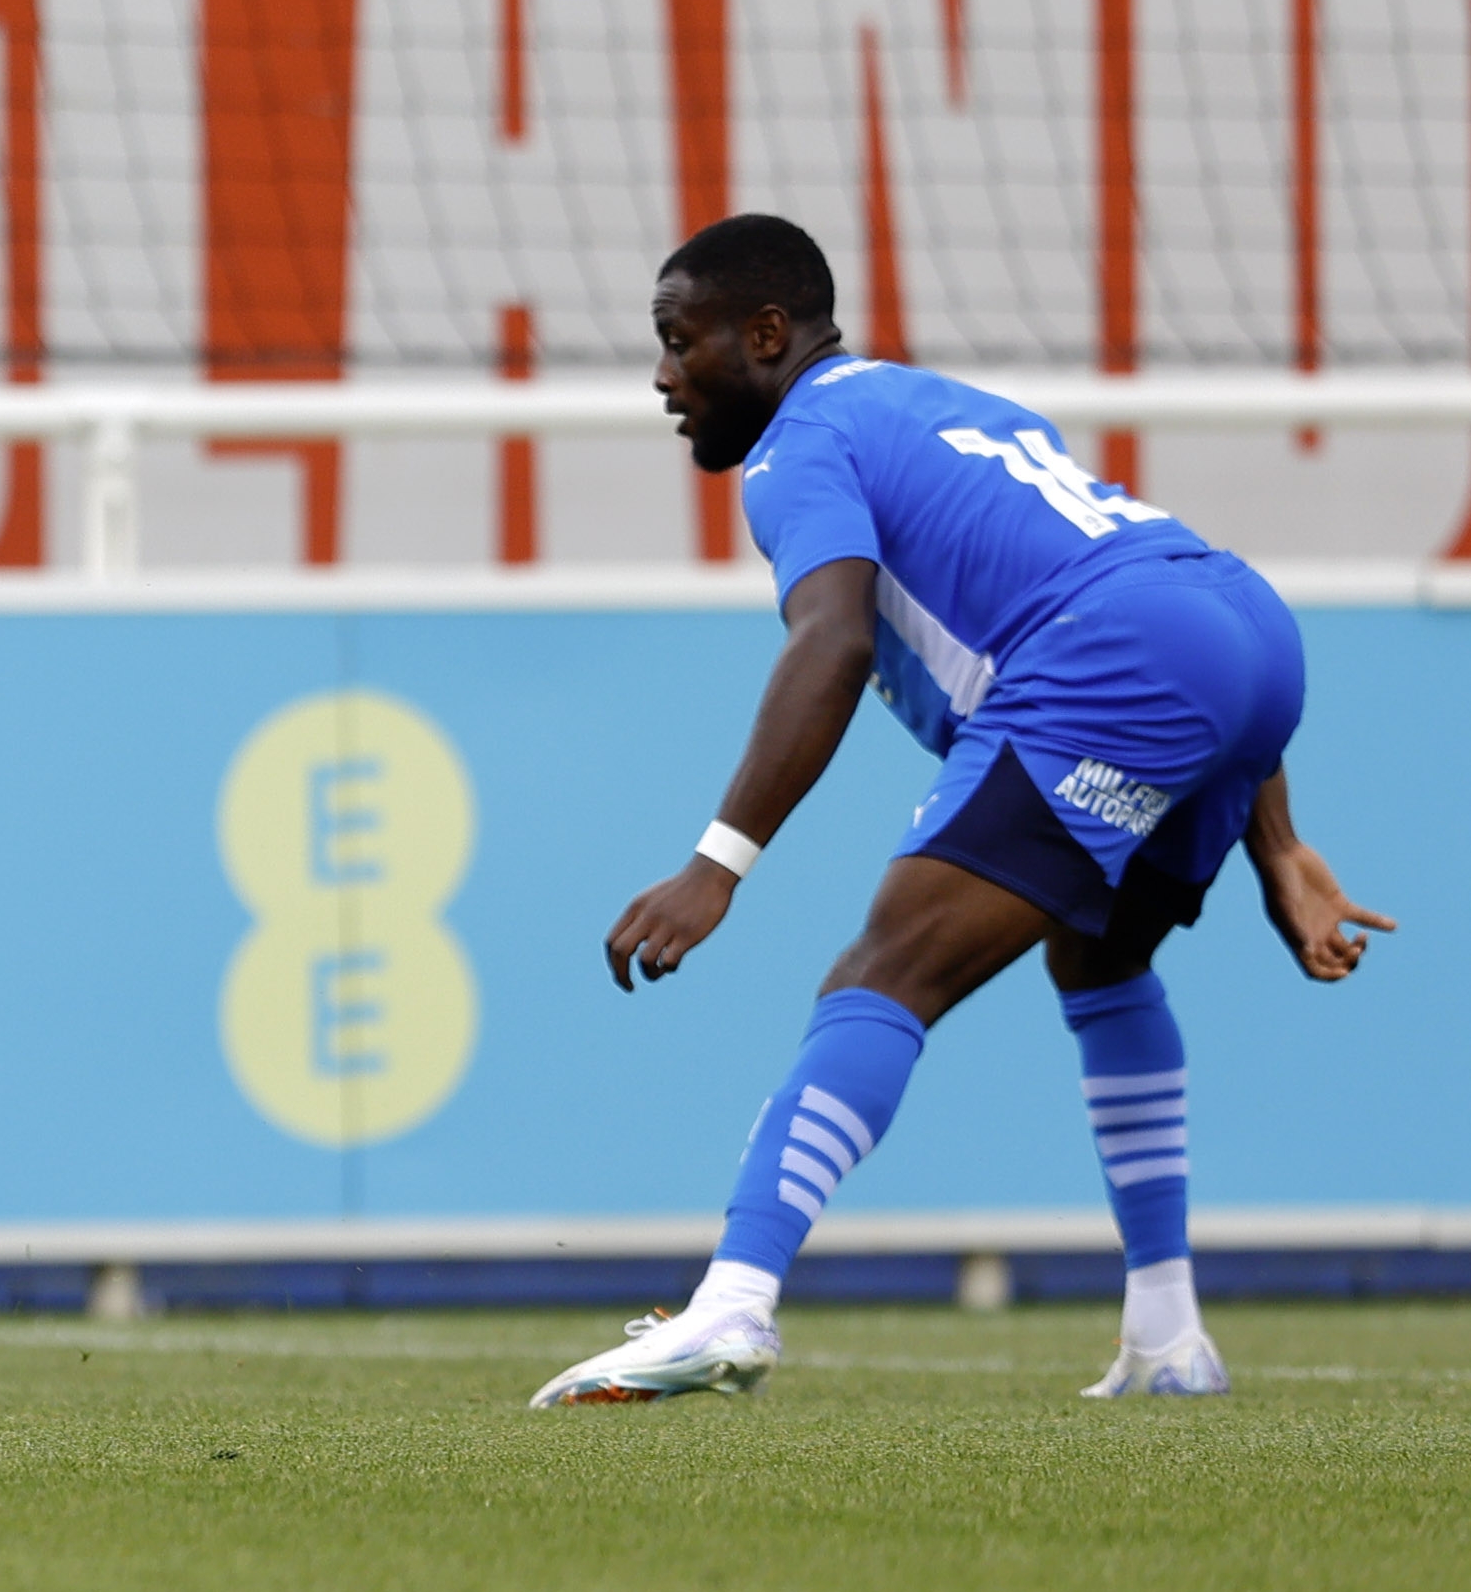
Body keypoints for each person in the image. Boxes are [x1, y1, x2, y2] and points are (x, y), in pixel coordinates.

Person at [538, 215, 1395, 1408]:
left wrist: (716, 863)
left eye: (682, 343)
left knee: (882, 975)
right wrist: (1279, 841)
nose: (664, 375)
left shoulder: (799, 445)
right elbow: (1161, 593)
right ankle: (1167, 1335)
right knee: (1099, 957)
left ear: (769, 336)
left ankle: (732, 1302)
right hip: (1244, 625)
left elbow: (830, 641)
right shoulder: (938, 404)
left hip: (1123, 652)